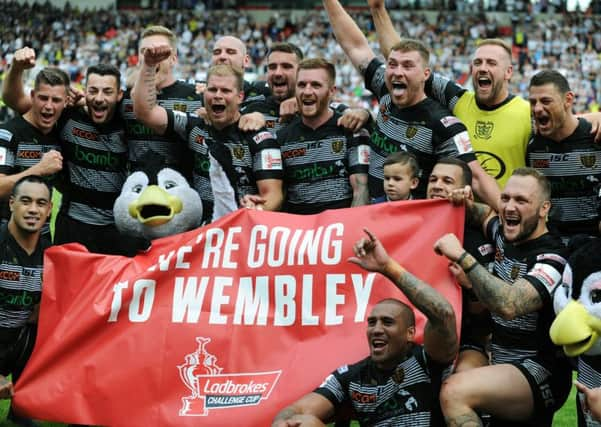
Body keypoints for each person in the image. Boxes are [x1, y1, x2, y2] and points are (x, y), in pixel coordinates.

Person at [322, 0, 500, 208]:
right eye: (393, 64)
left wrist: (507, 215)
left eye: (408, 66)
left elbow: (476, 177)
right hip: (371, 213)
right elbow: (355, 46)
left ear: (426, 74)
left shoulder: (442, 125)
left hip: (410, 225)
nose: (398, 72)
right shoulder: (385, 89)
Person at [272, 228, 458, 427]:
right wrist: (283, 421)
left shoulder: (427, 360)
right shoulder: (352, 376)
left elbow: (443, 313)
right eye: (372, 322)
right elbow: (297, 410)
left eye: (388, 322)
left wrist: (388, 268)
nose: (376, 329)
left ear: (410, 333)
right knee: (304, 423)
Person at [434, 167, 571, 426]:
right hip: (498, 357)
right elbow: (483, 213)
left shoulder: (553, 259)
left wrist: (464, 259)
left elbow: (509, 304)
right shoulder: (503, 233)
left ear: (544, 209)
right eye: (505, 198)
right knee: (448, 378)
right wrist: (459, 200)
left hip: (539, 369)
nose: (509, 207)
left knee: (455, 392)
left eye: (521, 201)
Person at [366, 0, 530, 188]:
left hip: (502, 212)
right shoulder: (458, 99)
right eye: (477, 63)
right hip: (457, 210)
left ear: (509, 72)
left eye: (491, 63)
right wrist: (378, 10)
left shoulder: (528, 112)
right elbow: (407, 61)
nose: (482, 68)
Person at [2, 48, 136, 255]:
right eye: (93, 90)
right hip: (61, 230)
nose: (48, 106)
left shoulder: (127, 123)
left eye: (107, 91)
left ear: (119, 95)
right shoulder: (60, 118)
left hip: (110, 231)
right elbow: (14, 100)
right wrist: (17, 67)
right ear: (84, 90)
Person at [133, 43, 283, 223]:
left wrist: (257, 209)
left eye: (226, 90)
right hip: (200, 232)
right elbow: (145, 112)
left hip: (240, 229)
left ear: (240, 97)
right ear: (204, 93)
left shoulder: (259, 137)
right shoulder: (193, 125)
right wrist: (149, 66)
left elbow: (274, 195)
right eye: (212, 89)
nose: (218, 95)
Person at [278, 58, 370, 214]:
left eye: (316, 85)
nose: (307, 91)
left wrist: (349, 228)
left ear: (332, 91)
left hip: (339, 228)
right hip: (299, 232)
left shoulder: (351, 131)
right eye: (302, 85)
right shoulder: (281, 137)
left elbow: (361, 190)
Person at [0, 175, 52, 426]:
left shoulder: (54, 255)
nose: (33, 209)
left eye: (41, 203)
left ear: (49, 210)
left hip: (20, 346)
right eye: (26, 201)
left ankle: (22, 405)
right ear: (11, 204)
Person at [527, 70, 601, 243]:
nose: (537, 108)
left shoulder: (595, 136)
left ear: (568, 100)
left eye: (545, 101)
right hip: (554, 246)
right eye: (533, 102)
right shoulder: (531, 144)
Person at [122, 25, 202, 175]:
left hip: (181, 193)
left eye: (161, 52)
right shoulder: (125, 98)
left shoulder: (197, 96)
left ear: (173, 59)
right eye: (146, 52)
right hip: (136, 193)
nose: (153, 56)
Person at [0, 67, 68, 237]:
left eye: (56, 100)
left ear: (66, 102)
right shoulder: (7, 133)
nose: (48, 106)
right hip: (6, 239)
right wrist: (38, 170)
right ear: (32, 96)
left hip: (41, 239)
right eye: (43, 98)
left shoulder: (61, 134)